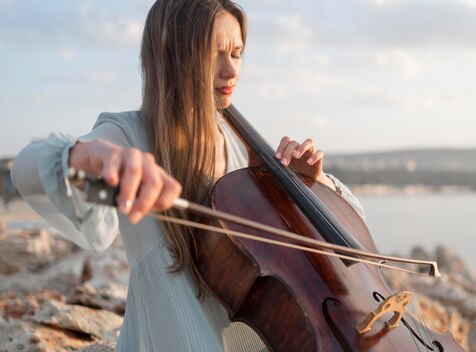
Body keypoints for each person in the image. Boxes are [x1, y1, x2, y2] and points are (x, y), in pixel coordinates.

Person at [10, 0, 365, 351]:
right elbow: (27, 169)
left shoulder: (243, 148)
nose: (231, 71)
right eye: (214, 53)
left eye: (237, 53)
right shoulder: (130, 134)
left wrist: (310, 188)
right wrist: (87, 154)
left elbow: (352, 240)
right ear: (174, 56)